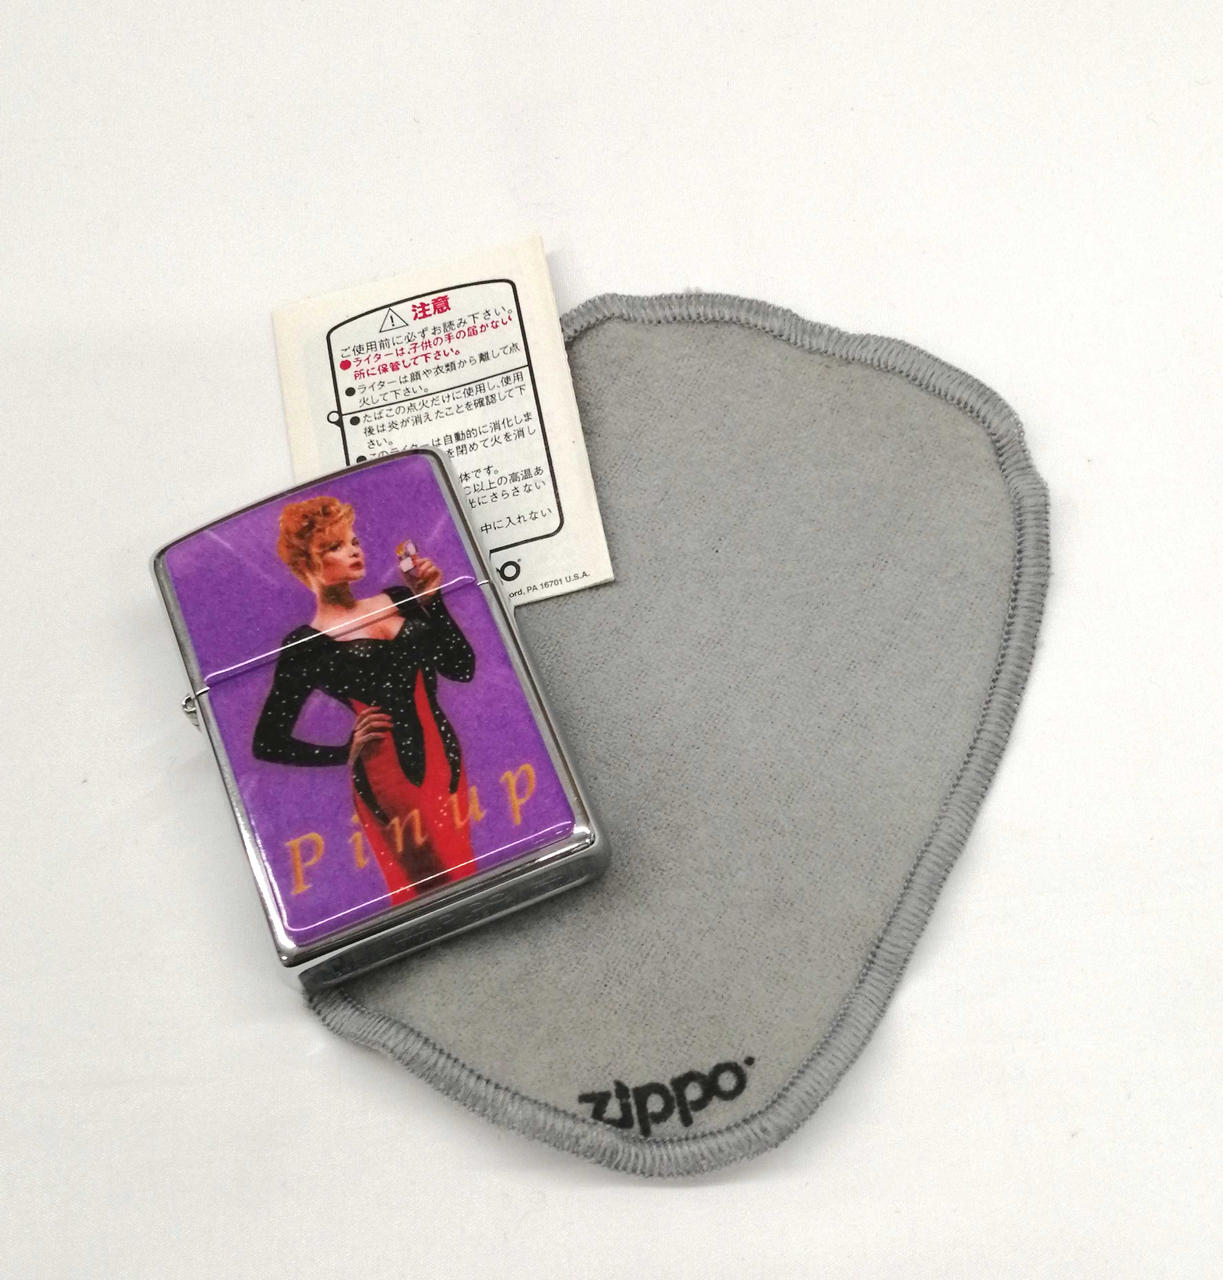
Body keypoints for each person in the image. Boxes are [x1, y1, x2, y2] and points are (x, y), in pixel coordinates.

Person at [252, 495, 478, 904]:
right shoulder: (305, 644)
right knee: (434, 885)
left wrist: (432, 602)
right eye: (335, 546)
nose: (353, 550)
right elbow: (268, 742)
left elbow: (461, 668)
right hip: (385, 778)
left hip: (447, 761)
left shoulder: (398, 597)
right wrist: (345, 752)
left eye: (353, 541)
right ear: (306, 564)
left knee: (465, 866)